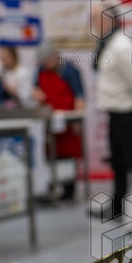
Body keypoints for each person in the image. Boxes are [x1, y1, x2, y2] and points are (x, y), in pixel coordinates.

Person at [94, 11, 132, 221]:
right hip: (116, 114)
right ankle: (118, 206)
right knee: (118, 164)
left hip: (127, 114)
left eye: (95, 19)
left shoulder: (122, 46)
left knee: (131, 163)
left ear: (109, 20)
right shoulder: (109, 44)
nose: (93, 24)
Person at [37, 46, 84, 200]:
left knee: (67, 154)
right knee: (49, 154)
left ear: (55, 57)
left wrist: (77, 120)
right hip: (49, 119)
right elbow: (36, 88)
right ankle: (49, 188)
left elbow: (79, 96)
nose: (45, 65)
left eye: (47, 62)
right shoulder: (41, 70)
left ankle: (69, 189)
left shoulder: (69, 70)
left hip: (67, 122)